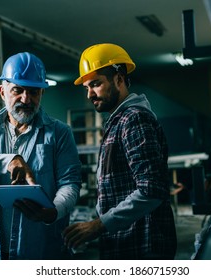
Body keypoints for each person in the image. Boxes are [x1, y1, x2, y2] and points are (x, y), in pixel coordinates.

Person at [0, 52, 82, 260]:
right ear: (2, 91)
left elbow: (70, 183)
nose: (26, 99)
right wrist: (9, 160)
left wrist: (54, 211)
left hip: (41, 251)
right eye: (18, 90)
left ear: (41, 94)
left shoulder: (59, 133)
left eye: (34, 92)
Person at [63, 43, 177, 259]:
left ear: (119, 79)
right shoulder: (118, 121)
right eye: (86, 87)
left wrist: (99, 225)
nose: (89, 94)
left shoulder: (134, 119)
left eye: (95, 84)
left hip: (142, 246)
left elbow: (151, 189)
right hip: (126, 243)